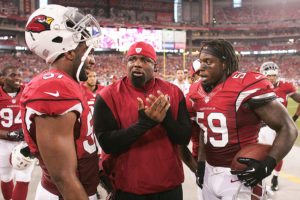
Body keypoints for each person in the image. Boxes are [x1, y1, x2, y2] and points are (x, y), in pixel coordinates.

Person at [187, 39, 298, 199]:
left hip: (239, 173)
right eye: (201, 61)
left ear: (224, 64)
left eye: (208, 62)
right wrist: (202, 164)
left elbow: (288, 128)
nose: (201, 67)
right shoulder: (196, 90)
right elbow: (206, 131)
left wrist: (267, 165)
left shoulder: (245, 85)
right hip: (209, 173)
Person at [20, 4, 101, 199]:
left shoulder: (68, 84)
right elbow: (63, 177)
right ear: (70, 52)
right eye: (86, 50)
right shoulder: (54, 90)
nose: (92, 61)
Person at [94, 41, 192, 200]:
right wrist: (144, 124)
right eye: (132, 59)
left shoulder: (173, 92)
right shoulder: (107, 96)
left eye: (145, 60)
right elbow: (107, 143)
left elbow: (183, 137)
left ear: (155, 66)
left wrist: (166, 119)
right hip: (129, 187)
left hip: (169, 186)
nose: (137, 64)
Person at [258, 61, 300, 191]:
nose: (271, 78)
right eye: (269, 75)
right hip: (260, 127)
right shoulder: (259, 87)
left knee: (276, 154)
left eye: (273, 75)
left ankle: (275, 178)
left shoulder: (286, 87)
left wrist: (294, 117)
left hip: (277, 127)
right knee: (259, 155)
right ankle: (261, 182)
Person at [0, 66, 35, 200]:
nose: (18, 78)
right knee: (5, 177)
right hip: (3, 143)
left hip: (24, 142)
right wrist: (8, 135)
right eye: (13, 75)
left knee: (24, 178)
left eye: (19, 75)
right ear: (3, 79)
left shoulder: (28, 92)